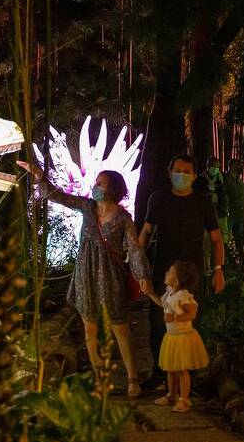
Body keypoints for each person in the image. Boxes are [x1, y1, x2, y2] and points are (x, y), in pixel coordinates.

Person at [17, 161, 152, 398]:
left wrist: (142, 276)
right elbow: (58, 197)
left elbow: (134, 248)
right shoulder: (88, 207)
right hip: (85, 275)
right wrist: (39, 176)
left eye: (100, 183)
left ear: (112, 189)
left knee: (119, 328)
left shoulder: (122, 218)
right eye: (96, 182)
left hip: (110, 277)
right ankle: (101, 380)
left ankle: (132, 378)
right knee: (90, 330)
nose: (95, 186)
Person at [138, 154, 224, 390]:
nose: (181, 175)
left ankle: (189, 377)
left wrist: (218, 269)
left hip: (192, 273)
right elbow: (145, 232)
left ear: (195, 176)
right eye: (177, 170)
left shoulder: (203, 203)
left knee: (189, 323)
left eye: (187, 172)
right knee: (158, 322)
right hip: (163, 271)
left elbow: (216, 239)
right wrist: (137, 263)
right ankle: (160, 374)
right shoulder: (158, 199)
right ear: (169, 171)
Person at [141, 261, 209, 413]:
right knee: (170, 369)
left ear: (177, 280)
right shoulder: (170, 292)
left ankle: (184, 399)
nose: (166, 273)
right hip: (171, 337)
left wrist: (176, 319)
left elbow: (192, 313)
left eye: (169, 272)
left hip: (182, 337)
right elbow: (163, 304)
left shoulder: (183, 296)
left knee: (181, 370)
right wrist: (151, 293)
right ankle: (171, 394)